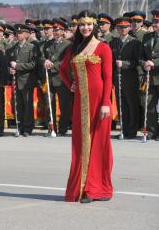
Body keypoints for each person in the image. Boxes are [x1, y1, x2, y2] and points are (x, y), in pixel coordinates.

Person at [59, 10, 113, 203]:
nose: (85, 28)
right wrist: (70, 84)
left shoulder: (103, 48)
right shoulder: (73, 49)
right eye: (82, 24)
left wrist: (106, 103)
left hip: (99, 101)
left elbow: (108, 78)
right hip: (81, 102)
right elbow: (62, 70)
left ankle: (96, 189)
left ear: (94, 26)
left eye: (89, 24)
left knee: (99, 143)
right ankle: (81, 187)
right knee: (81, 143)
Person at [109, 17, 141, 139]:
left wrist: (125, 64)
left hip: (130, 79)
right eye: (120, 27)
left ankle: (132, 131)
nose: (123, 29)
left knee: (132, 105)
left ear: (129, 28)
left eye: (125, 27)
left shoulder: (135, 43)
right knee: (121, 105)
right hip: (118, 79)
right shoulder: (113, 43)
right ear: (116, 28)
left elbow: (138, 62)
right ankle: (124, 129)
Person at [6, 24, 39, 136]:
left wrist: (18, 66)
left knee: (28, 105)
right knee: (18, 105)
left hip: (26, 81)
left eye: (20, 33)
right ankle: (19, 126)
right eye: (17, 33)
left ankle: (28, 128)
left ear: (26, 34)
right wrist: (10, 69)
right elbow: (9, 63)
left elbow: (33, 64)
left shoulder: (31, 47)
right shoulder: (13, 48)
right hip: (16, 81)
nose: (18, 35)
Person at [139, 9, 159, 141]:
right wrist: (144, 63)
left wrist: (154, 62)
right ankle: (152, 132)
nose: (154, 23)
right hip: (149, 77)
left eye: (157, 21)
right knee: (149, 104)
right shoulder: (147, 36)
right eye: (154, 21)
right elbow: (141, 55)